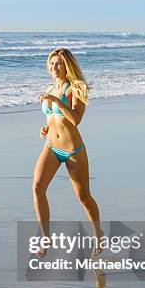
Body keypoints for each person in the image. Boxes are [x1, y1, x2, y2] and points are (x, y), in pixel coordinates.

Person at [33, 48, 103, 257]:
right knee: (37, 188)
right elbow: (54, 118)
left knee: (83, 197)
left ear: (68, 66)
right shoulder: (51, 88)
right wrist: (46, 129)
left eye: (60, 64)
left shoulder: (75, 88)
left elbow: (75, 119)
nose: (55, 68)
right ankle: (46, 237)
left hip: (73, 151)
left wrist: (55, 101)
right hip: (51, 147)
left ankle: (97, 233)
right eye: (52, 63)